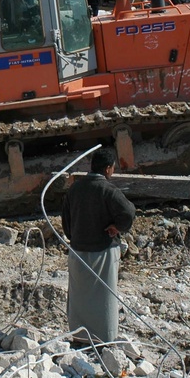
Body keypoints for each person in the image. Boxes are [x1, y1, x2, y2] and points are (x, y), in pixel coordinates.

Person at [61, 147, 136, 344]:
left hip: (77, 251)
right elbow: (128, 213)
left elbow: (66, 222)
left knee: (80, 297)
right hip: (103, 251)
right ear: (109, 169)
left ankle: (79, 336)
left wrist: (76, 236)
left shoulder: (75, 189)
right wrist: (117, 227)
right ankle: (104, 339)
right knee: (104, 298)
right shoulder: (108, 190)